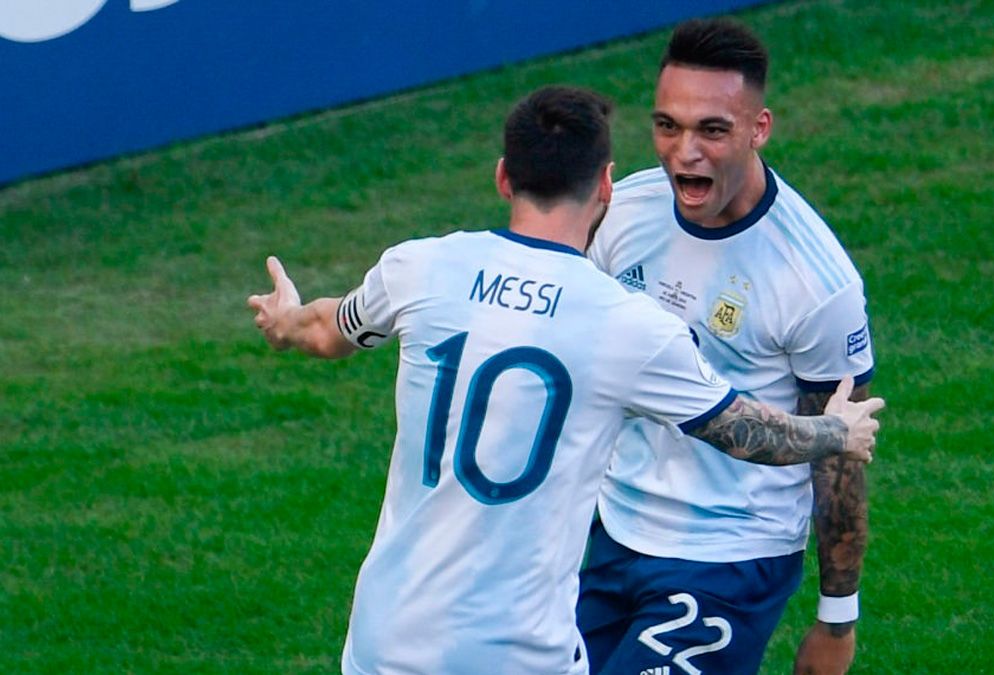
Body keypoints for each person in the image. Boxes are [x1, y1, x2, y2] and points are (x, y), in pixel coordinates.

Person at [246, 85, 885, 675]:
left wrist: (284, 321)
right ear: (606, 186)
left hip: (383, 641)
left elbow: (330, 330)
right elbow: (745, 433)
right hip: (517, 653)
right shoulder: (627, 327)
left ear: (503, 177)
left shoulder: (419, 268)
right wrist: (837, 432)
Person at [577, 18, 877, 675]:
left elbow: (839, 457)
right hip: (614, 531)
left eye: (712, 129)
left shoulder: (816, 282)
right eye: (667, 125)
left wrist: (836, 620)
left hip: (731, 556)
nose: (685, 153)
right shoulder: (624, 212)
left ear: (758, 128)